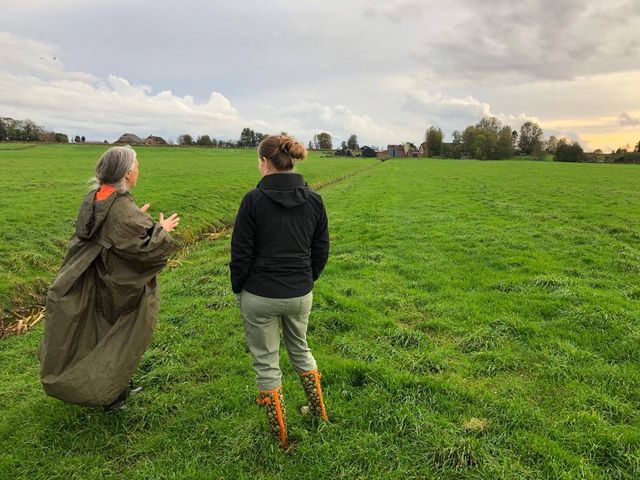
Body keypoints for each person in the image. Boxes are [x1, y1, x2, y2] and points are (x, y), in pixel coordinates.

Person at [39, 146, 180, 411]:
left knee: (98, 334)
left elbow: (113, 231)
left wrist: (136, 219)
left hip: (92, 279)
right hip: (114, 285)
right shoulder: (122, 210)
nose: (138, 169)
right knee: (117, 338)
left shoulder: (96, 197)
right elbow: (146, 251)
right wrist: (161, 230)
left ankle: (114, 388)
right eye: (136, 165)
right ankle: (110, 395)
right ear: (126, 173)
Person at [230, 134, 330, 449]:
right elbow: (321, 249)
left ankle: (282, 438)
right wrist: (306, 279)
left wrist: (239, 288)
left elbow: (240, 253)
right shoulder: (314, 200)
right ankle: (319, 413)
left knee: (266, 361)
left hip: (259, 294)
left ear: (265, 162)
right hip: (300, 292)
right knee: (301, 349)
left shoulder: (252, 200)